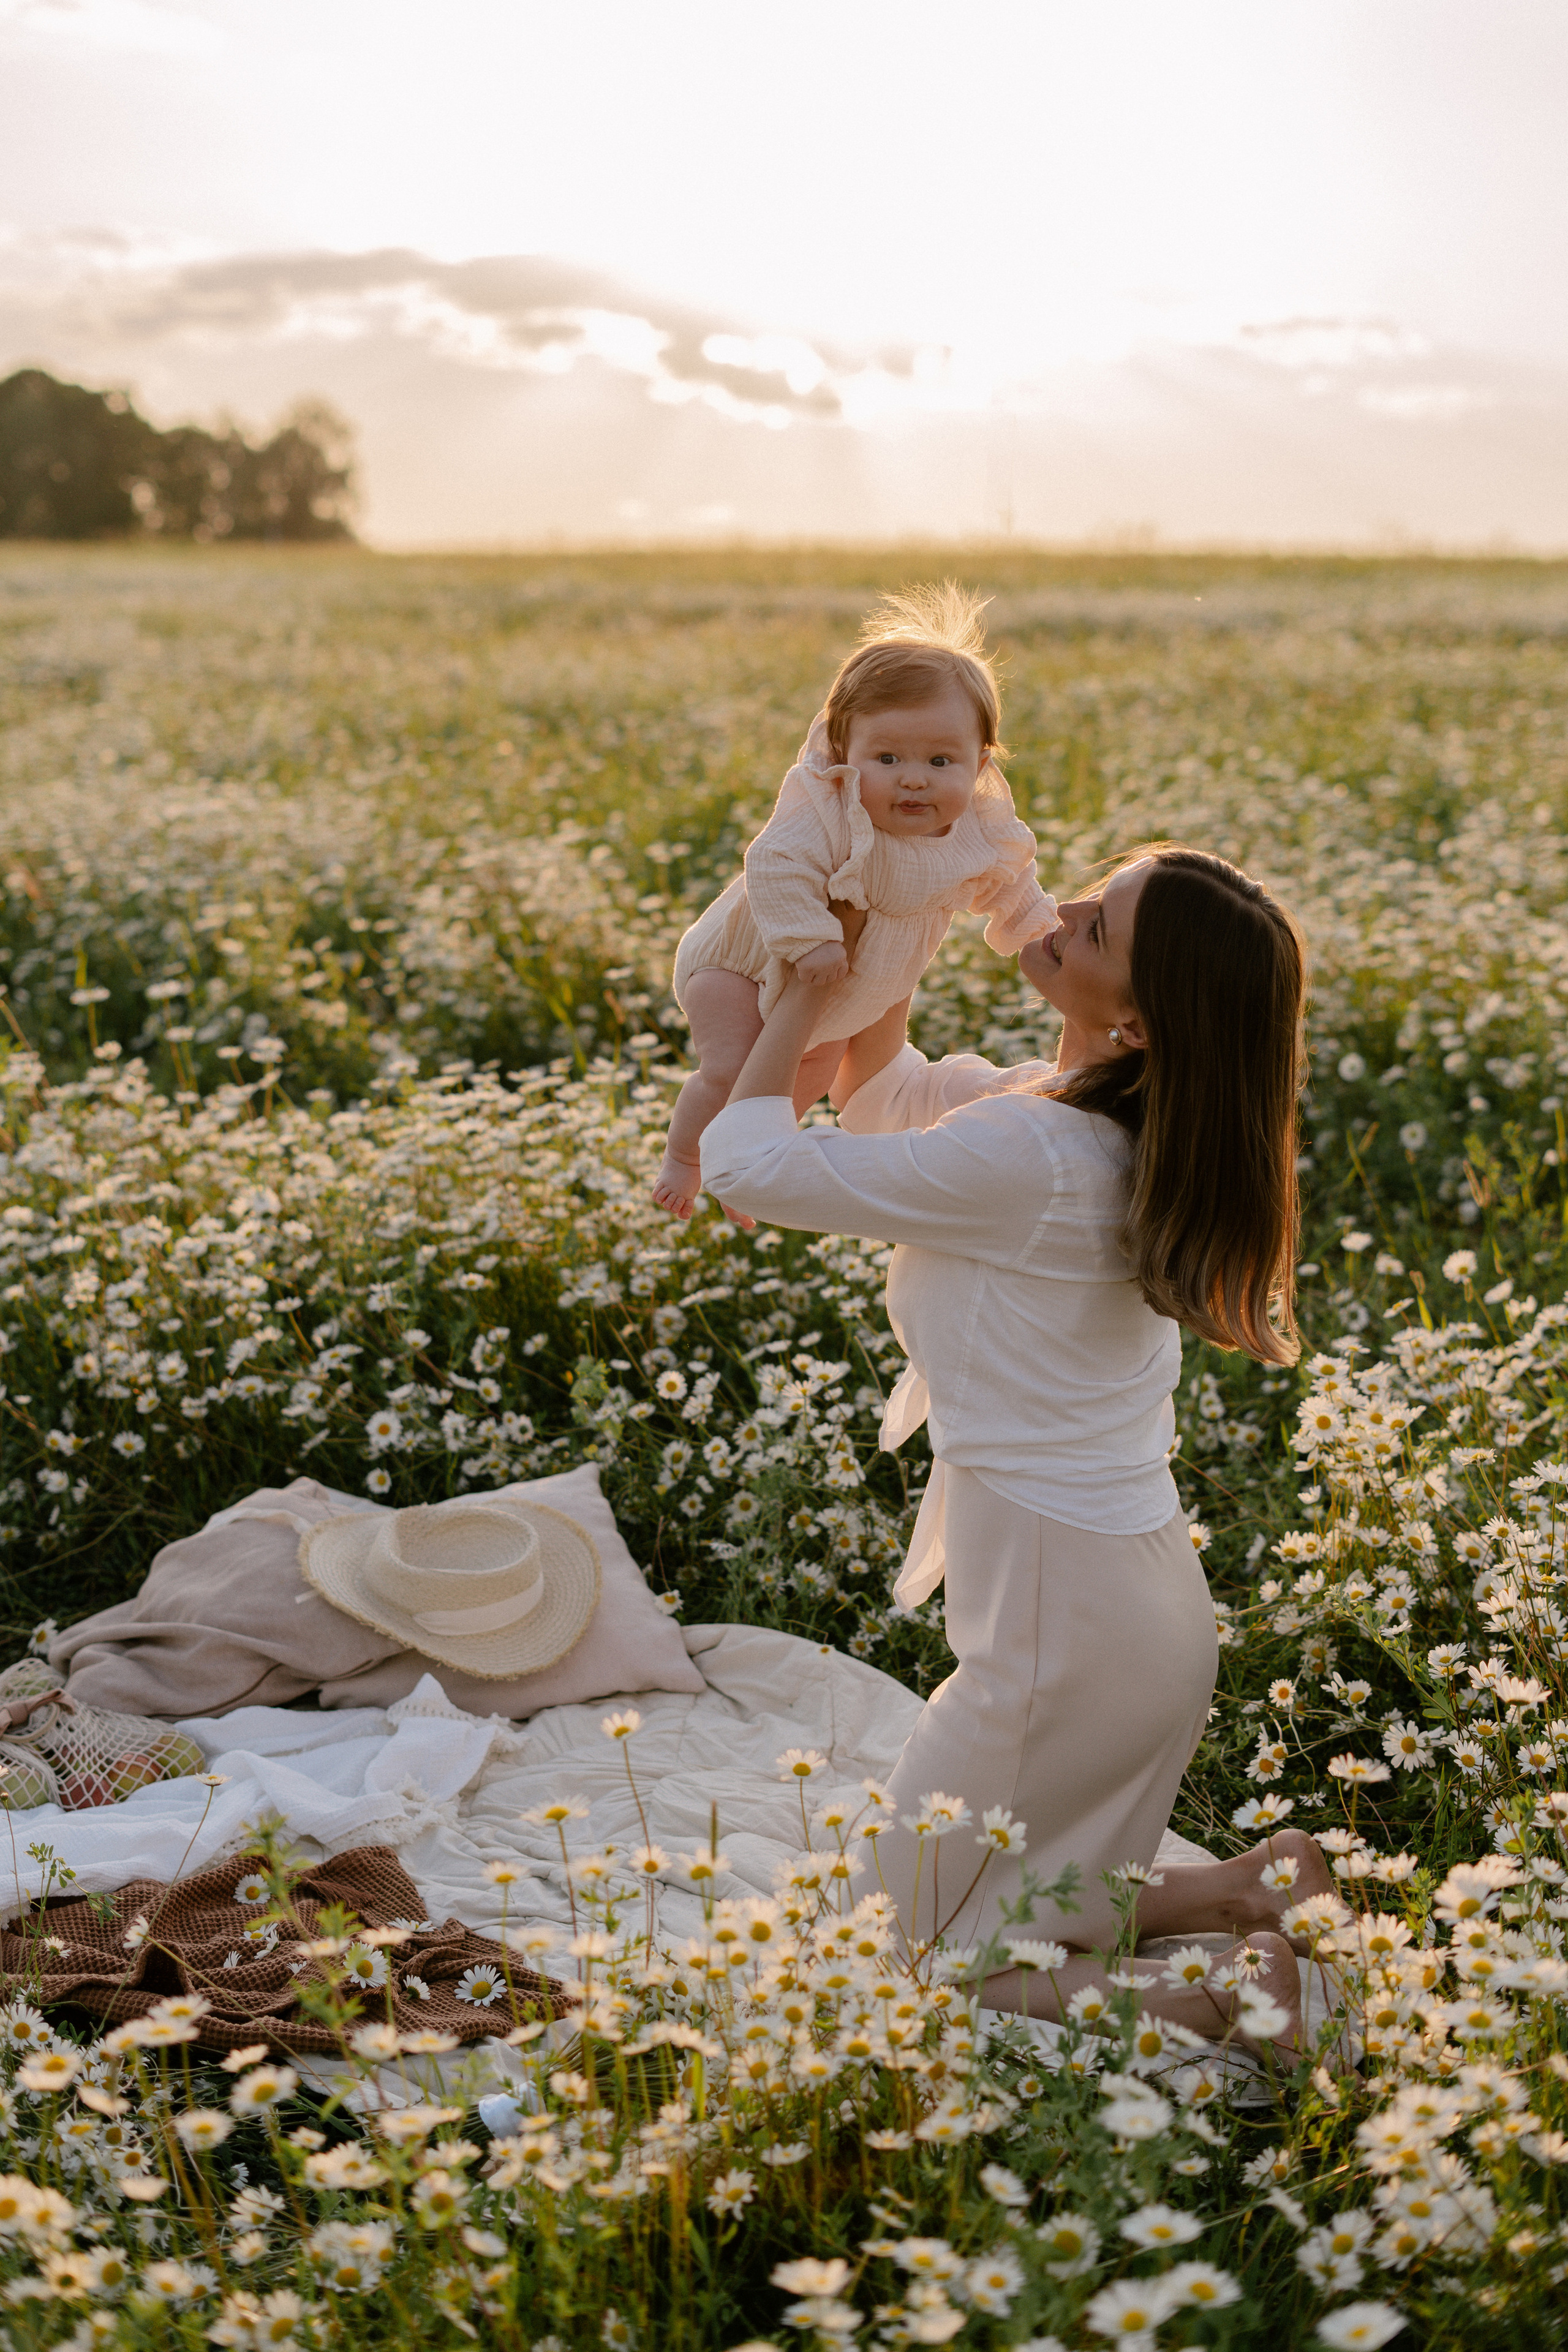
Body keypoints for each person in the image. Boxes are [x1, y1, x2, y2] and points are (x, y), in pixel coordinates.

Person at [699, 845, 1335, 2061]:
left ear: (1138, 1023)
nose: (1067, 909)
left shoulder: (1034, 1158)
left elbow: (748, 1163)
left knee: (898, 1960)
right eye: (1094, 889)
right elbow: (887, 1098)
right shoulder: (1082, 1124)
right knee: (1001, 1887)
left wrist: (799, 991)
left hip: (1066, 1644)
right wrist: (889, 925)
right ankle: (1250, 1888)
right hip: (1127, 1619)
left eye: (1099, 928)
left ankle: (1229, 1997)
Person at [652, 584, 1057, 1218]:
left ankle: (749, 1158)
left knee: (807, 1080)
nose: (914, 778)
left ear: (980, 766)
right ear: (844, 754)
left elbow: (1012, 883)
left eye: (940, 761)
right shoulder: (831, 808)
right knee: (734, 1069)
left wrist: (1038, 930)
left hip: (840, 998)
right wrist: (810, 938)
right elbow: (775, 864)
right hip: (741, 966)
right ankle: (687, 1157)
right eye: (887, 758)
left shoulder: (979, 833)